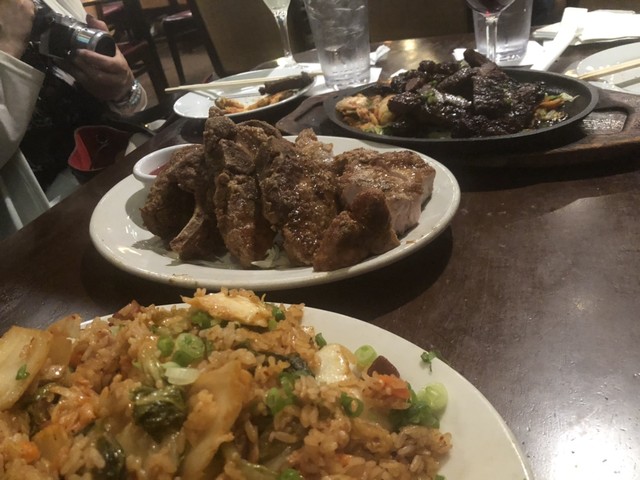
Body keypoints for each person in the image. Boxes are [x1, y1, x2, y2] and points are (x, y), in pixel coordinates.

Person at [0, 0, 148, 237]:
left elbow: (131, 104)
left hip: (117, 167)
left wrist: (124, 89)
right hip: (48, 224)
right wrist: (10, 44)